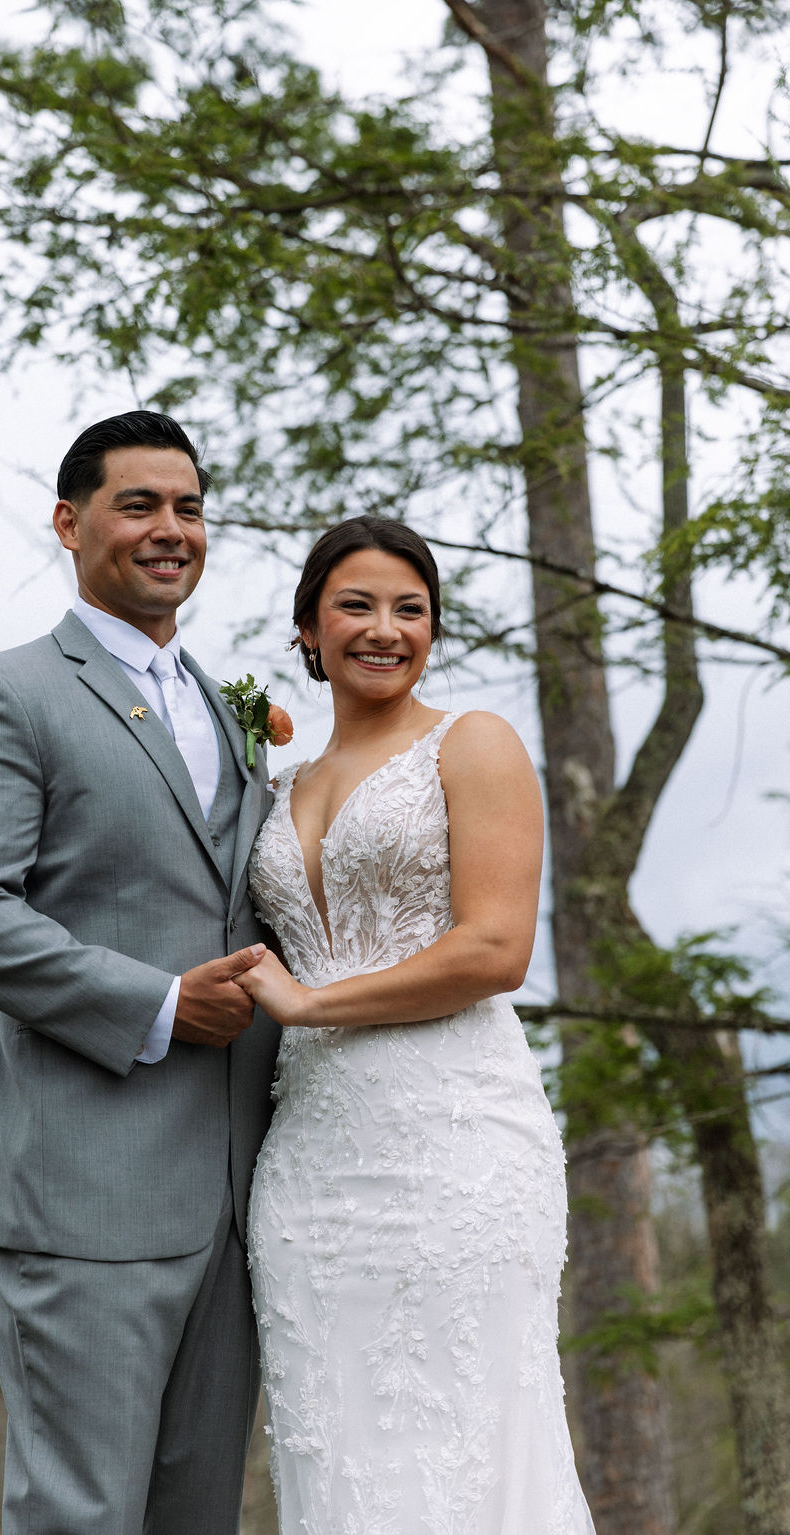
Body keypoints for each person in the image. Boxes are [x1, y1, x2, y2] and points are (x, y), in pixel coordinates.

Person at [0, 410, 280, 1535]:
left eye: (189, 507)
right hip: (84, 1194)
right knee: (80, 1516)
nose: (171, 529)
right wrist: (160, 1003)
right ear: (71, 524)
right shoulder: (7, 689)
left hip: (235, 1197)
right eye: (140, 504)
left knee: (195, 1517)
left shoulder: (235, 711)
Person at [234, 516, 596, 1534]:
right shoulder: (277, 784)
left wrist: (309, 1001)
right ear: (308, 628)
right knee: (336, 1450)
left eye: (410, 609)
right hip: (308, 1167)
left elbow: (494, 950)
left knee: (467, 1435)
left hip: (455, 1146)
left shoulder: (471, 741)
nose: (384, 628)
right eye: (356, 604)